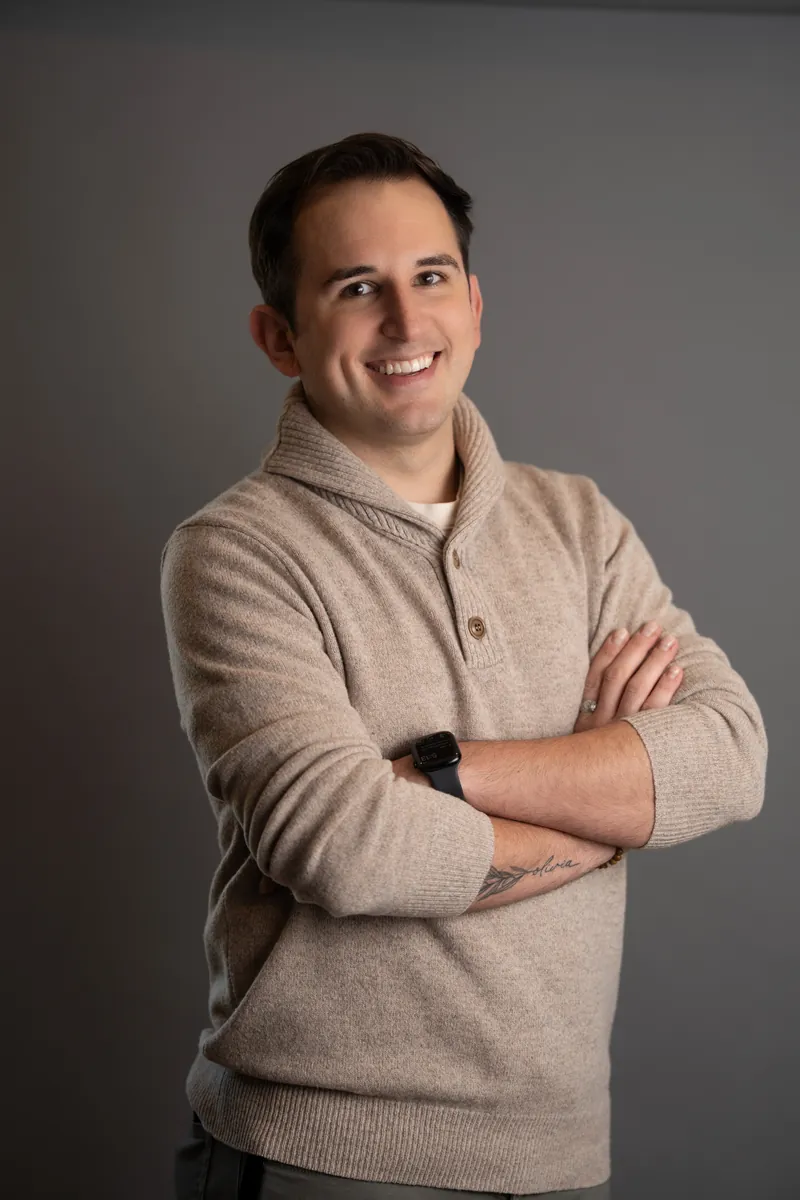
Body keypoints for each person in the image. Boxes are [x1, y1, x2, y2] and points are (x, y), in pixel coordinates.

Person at [160, 132, 767, 1200]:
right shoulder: (234, 552)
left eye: (429, 277)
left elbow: (729, 757)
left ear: (474, 306)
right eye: (356, 287)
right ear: (279, 335)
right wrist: (607, 794)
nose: (405, 322)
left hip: (562, 1152)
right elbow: (344, 846)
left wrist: (448, 771)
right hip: (320, 1155)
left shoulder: (577, 522)